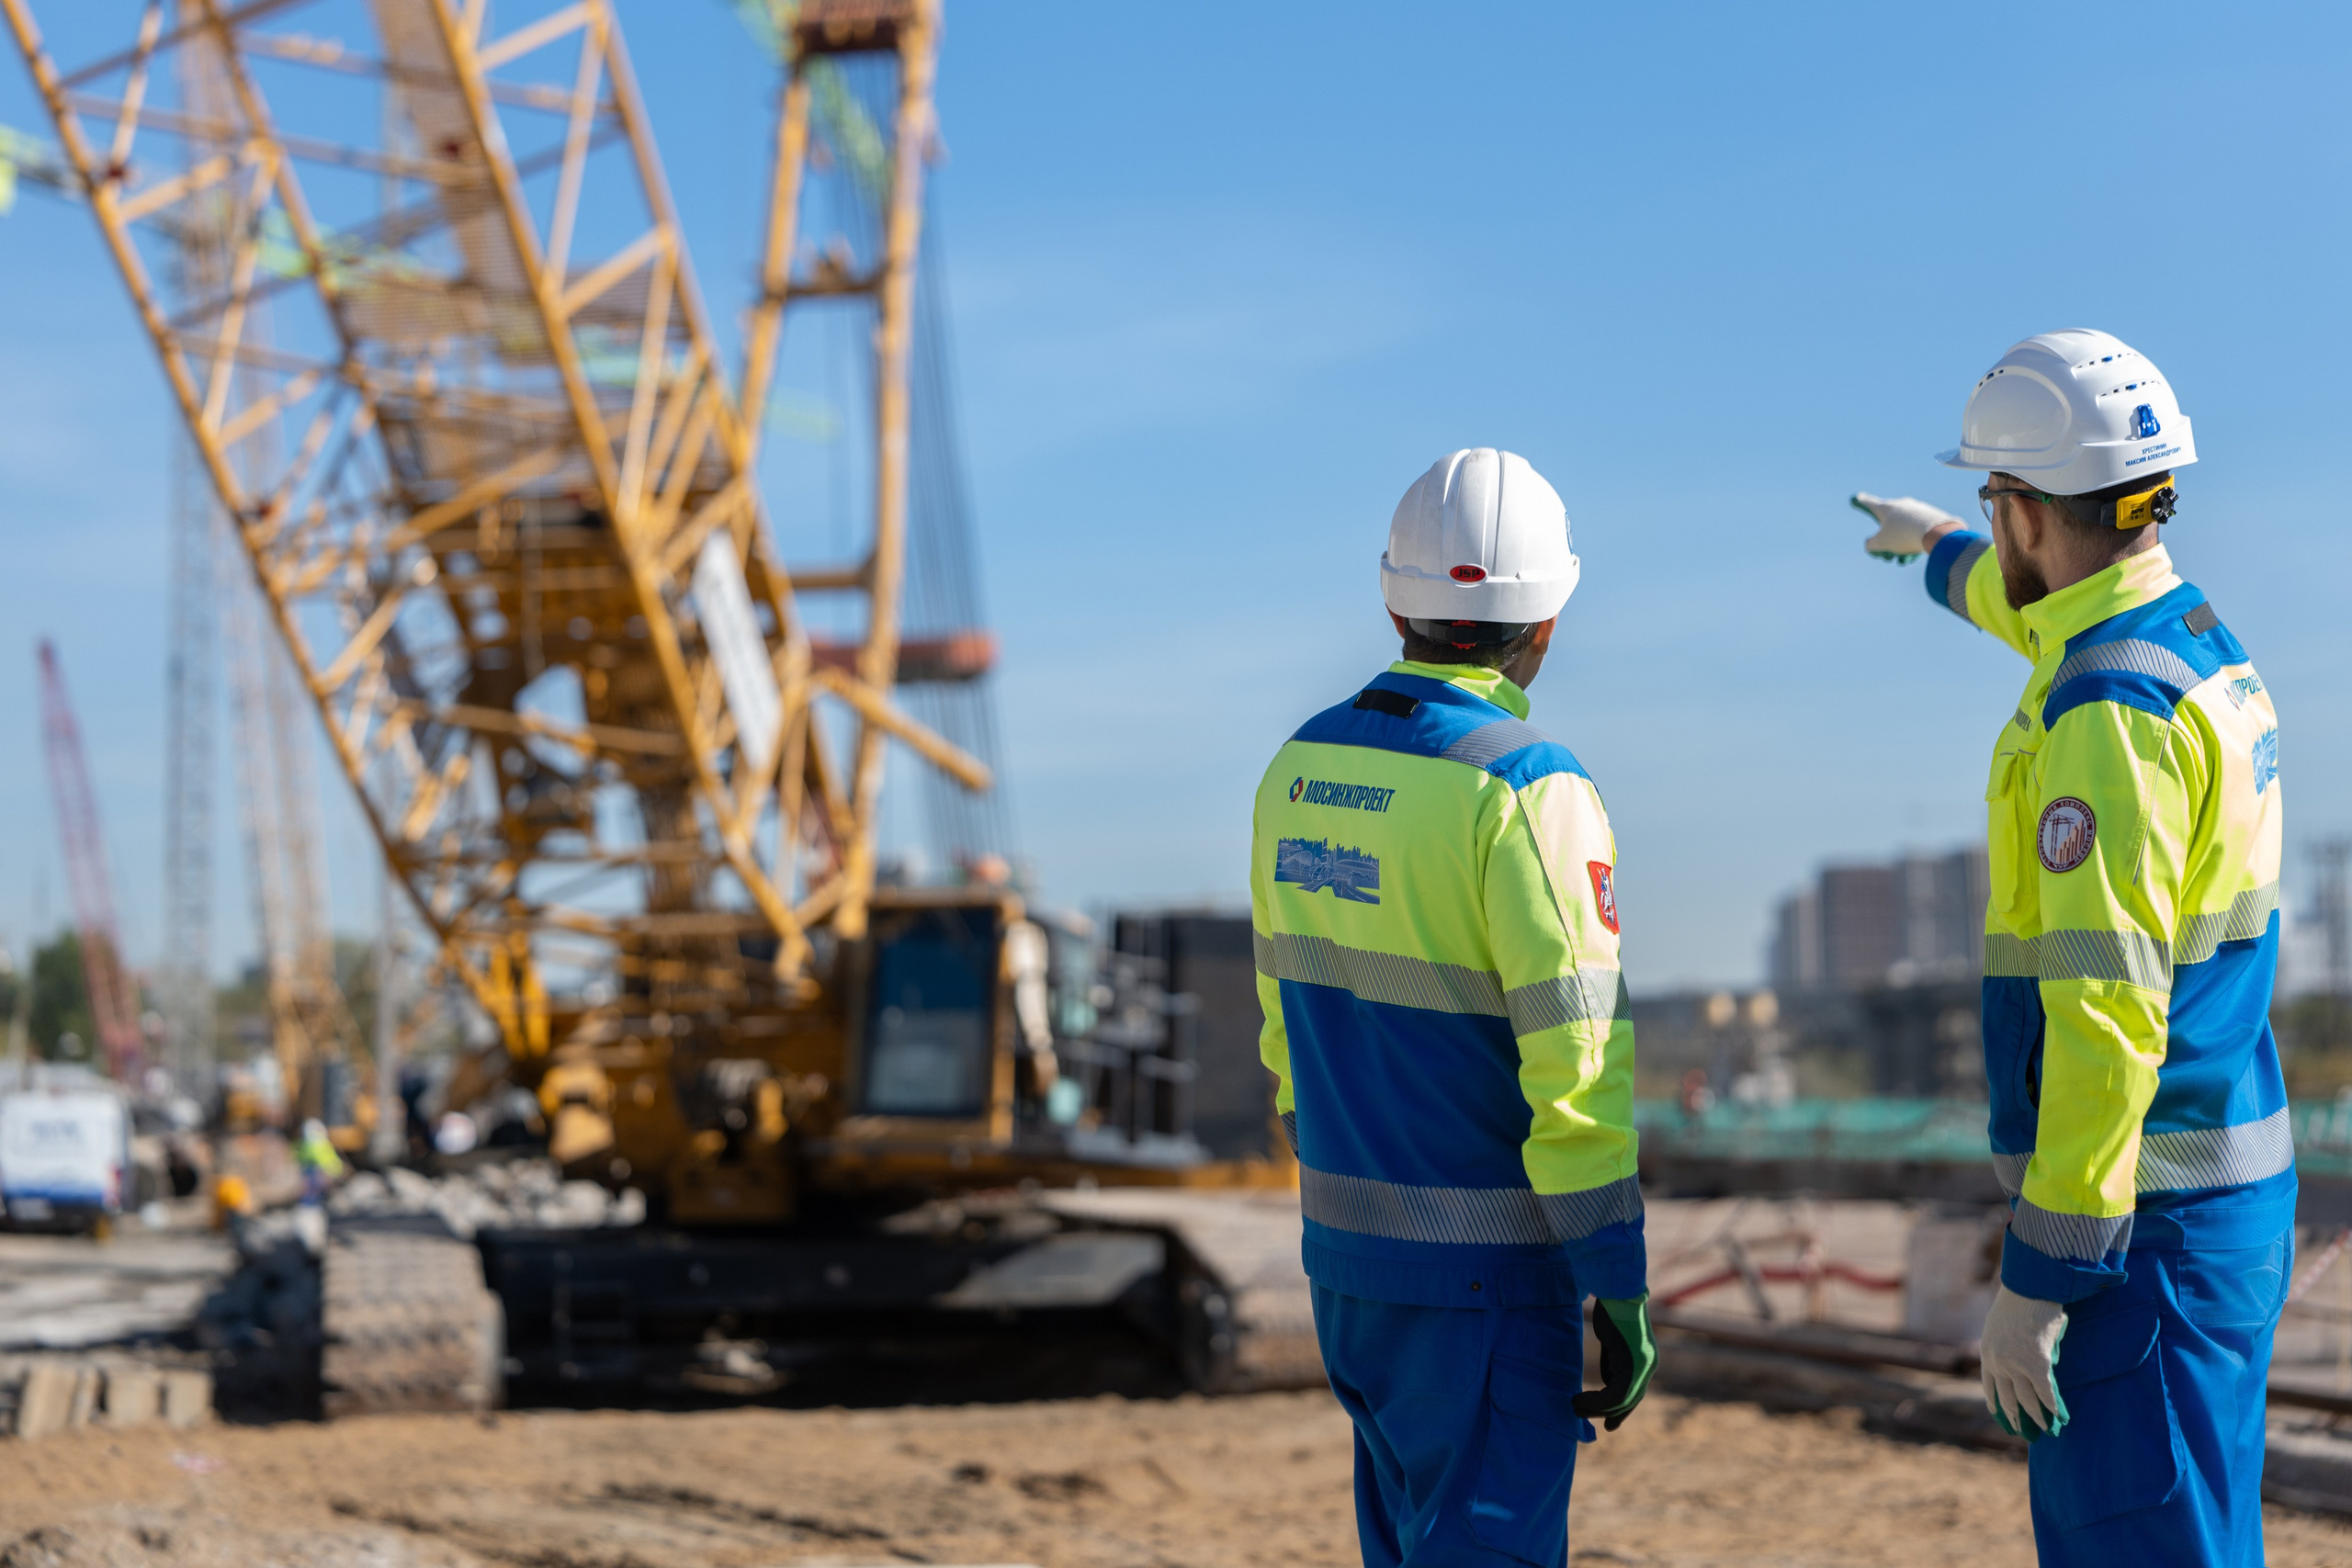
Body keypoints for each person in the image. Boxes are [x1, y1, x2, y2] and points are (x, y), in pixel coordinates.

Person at [1854, 329, 2290, 1566]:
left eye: (1994, 508)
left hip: (2139, 1231)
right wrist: (1940, 550)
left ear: (2025, 506)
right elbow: (2031, 605)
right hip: (2208, 1202)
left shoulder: (2110, 715)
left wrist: (2042, 1274)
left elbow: (2108, 1023)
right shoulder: (2185, 639)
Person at [1251, 448, 1652, 1568]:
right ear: (1550, 621)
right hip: (1485, 1278)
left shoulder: (1298, 770)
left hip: (1348, 1271)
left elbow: (1283, 1021)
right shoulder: (1528, 789)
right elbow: (1576, 1064)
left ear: (1393, 602)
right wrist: (1614, 1278)